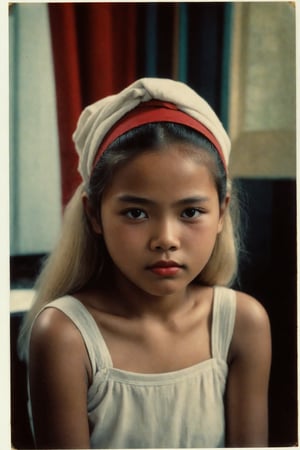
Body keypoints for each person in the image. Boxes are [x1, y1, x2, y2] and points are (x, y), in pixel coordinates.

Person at [18, 78, 271, 449]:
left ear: (221, 212)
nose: (165, 238)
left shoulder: (242, 324)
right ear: (94, 216)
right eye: (136, 212)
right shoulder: (65, 335)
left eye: (190, 211)